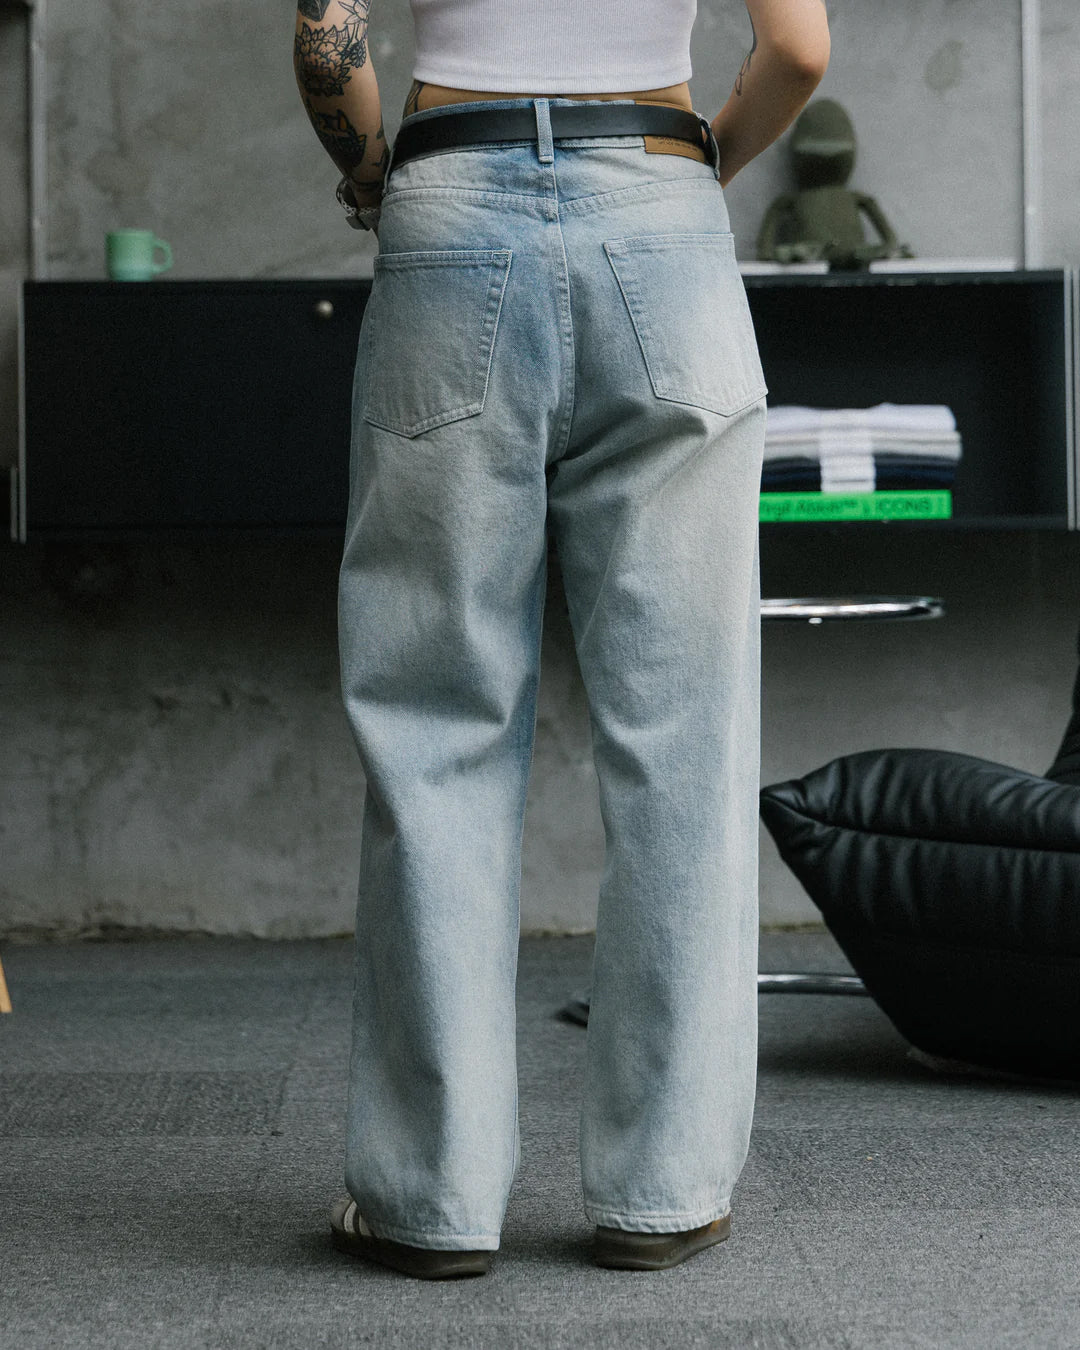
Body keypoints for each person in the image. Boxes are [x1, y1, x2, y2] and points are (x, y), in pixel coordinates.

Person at [294, 0, 830, 1280]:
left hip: (450, 205)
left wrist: (372, 173)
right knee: (684, 739)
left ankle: (432, 1199)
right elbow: (800, 50)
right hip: (660, 208)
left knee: (437, 724)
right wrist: (689, 177)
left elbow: (328, 42)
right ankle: (667, 1189)